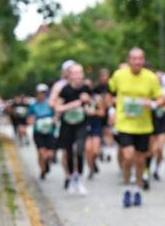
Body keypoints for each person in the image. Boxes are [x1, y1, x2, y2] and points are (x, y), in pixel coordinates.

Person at [108, 48, 163, 207]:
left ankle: (137, 189)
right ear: (129, 60)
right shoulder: (119, 75)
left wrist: (152, 104)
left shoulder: (151, 77)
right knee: (128, 155)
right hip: (124, 123)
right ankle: (126, 186)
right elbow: (109, 92)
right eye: (134, 59)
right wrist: (110, 108)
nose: (137, 62)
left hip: (143, 125)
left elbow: (161, 98)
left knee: (140, 160)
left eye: (140, 59)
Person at [50, 62, 91, 195]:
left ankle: (79, 178)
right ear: (69, 75)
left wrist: (88, 103)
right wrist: (74, 104)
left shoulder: (86, 88)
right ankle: (70, 178)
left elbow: (93, 107)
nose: (78, 76)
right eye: (75, 73)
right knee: (68, 152)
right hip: (67, 124)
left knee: (79, 150)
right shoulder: (64, 89)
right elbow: (57, 107)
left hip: (81, 124)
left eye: (80, 72)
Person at [85, 69, 111, 179]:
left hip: (97, 124)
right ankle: (91, 169)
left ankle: (95, 160)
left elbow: (102, 111)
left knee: (95, 150)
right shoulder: (79, 99)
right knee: (88, 150)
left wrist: (93, 111)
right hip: (85, 126)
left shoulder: (97, 98)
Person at [27, 84, 56, 179]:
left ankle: (47, 162)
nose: (42, 95)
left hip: (50, 132)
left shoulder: (50, 104)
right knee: (41, 153)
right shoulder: (33, 106)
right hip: (38, 132)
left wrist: (53, 120)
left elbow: (56, 115)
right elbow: (29, 119)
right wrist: (32, 120)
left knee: (50, 154)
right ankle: (43, 170)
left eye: (44, 93)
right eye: (40, 93)